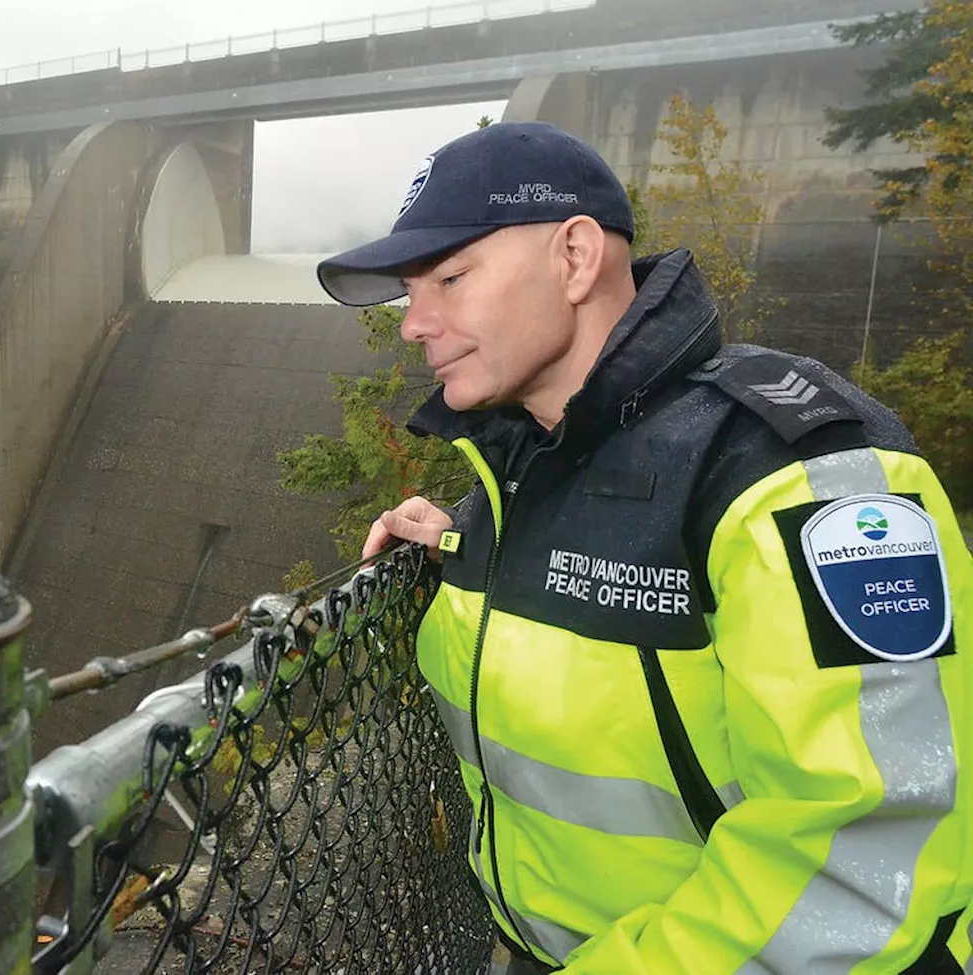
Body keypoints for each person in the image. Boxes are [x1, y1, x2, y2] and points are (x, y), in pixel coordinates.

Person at [315, 121, 973, 974]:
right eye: (411, 289)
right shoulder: (516, 473)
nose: (415, 323)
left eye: (449, 276)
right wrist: (457, 540)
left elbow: (862, 861)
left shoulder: (801, 472)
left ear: (577, 256)